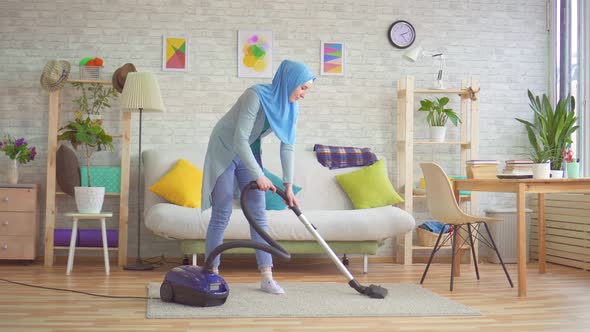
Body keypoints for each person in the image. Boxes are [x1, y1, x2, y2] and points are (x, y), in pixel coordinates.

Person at [201, 60, 315, 294]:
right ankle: (211, 274)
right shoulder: (255, 95)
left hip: (248, 151)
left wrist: (289, 186)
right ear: (290, 81)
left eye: (307, 90)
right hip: (224, 149)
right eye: (302, 88)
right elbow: (239, 139)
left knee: (258, 214)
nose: (304, 94)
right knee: (221, 213)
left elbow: (288, 147)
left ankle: (266, 277)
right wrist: (259, 176)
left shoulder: (291, 106)